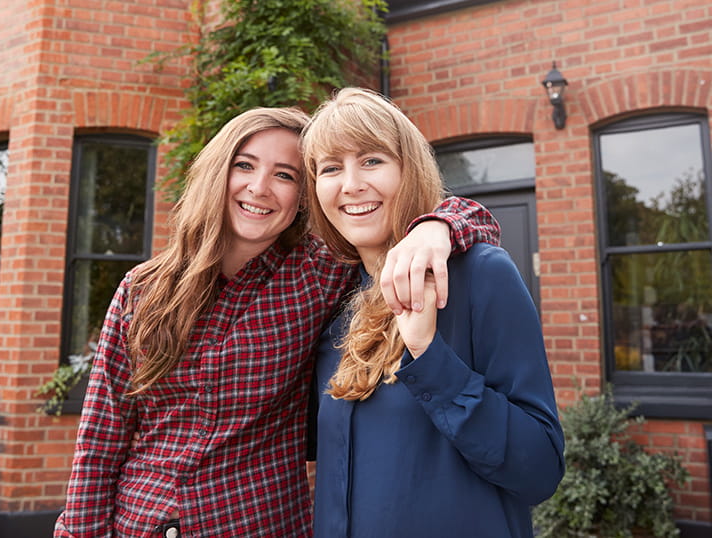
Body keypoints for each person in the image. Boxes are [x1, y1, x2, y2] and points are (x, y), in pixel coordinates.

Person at [53, 105, 500, 538]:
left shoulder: (321, 272)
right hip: (142, 522)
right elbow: (100, 440)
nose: (260, 187)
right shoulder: (143, 289)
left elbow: (472, 219)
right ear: (218, 172)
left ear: (304, 195)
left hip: (260, 521)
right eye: (244, 166)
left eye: (284, 175)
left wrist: (434, 227)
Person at [303, 87, 564, 538]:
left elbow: (539, 468)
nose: (350, 184)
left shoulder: (479, 276)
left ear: (409, 169)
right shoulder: (331, 299)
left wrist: (428, 354)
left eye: (371, 160)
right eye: (331, 168)